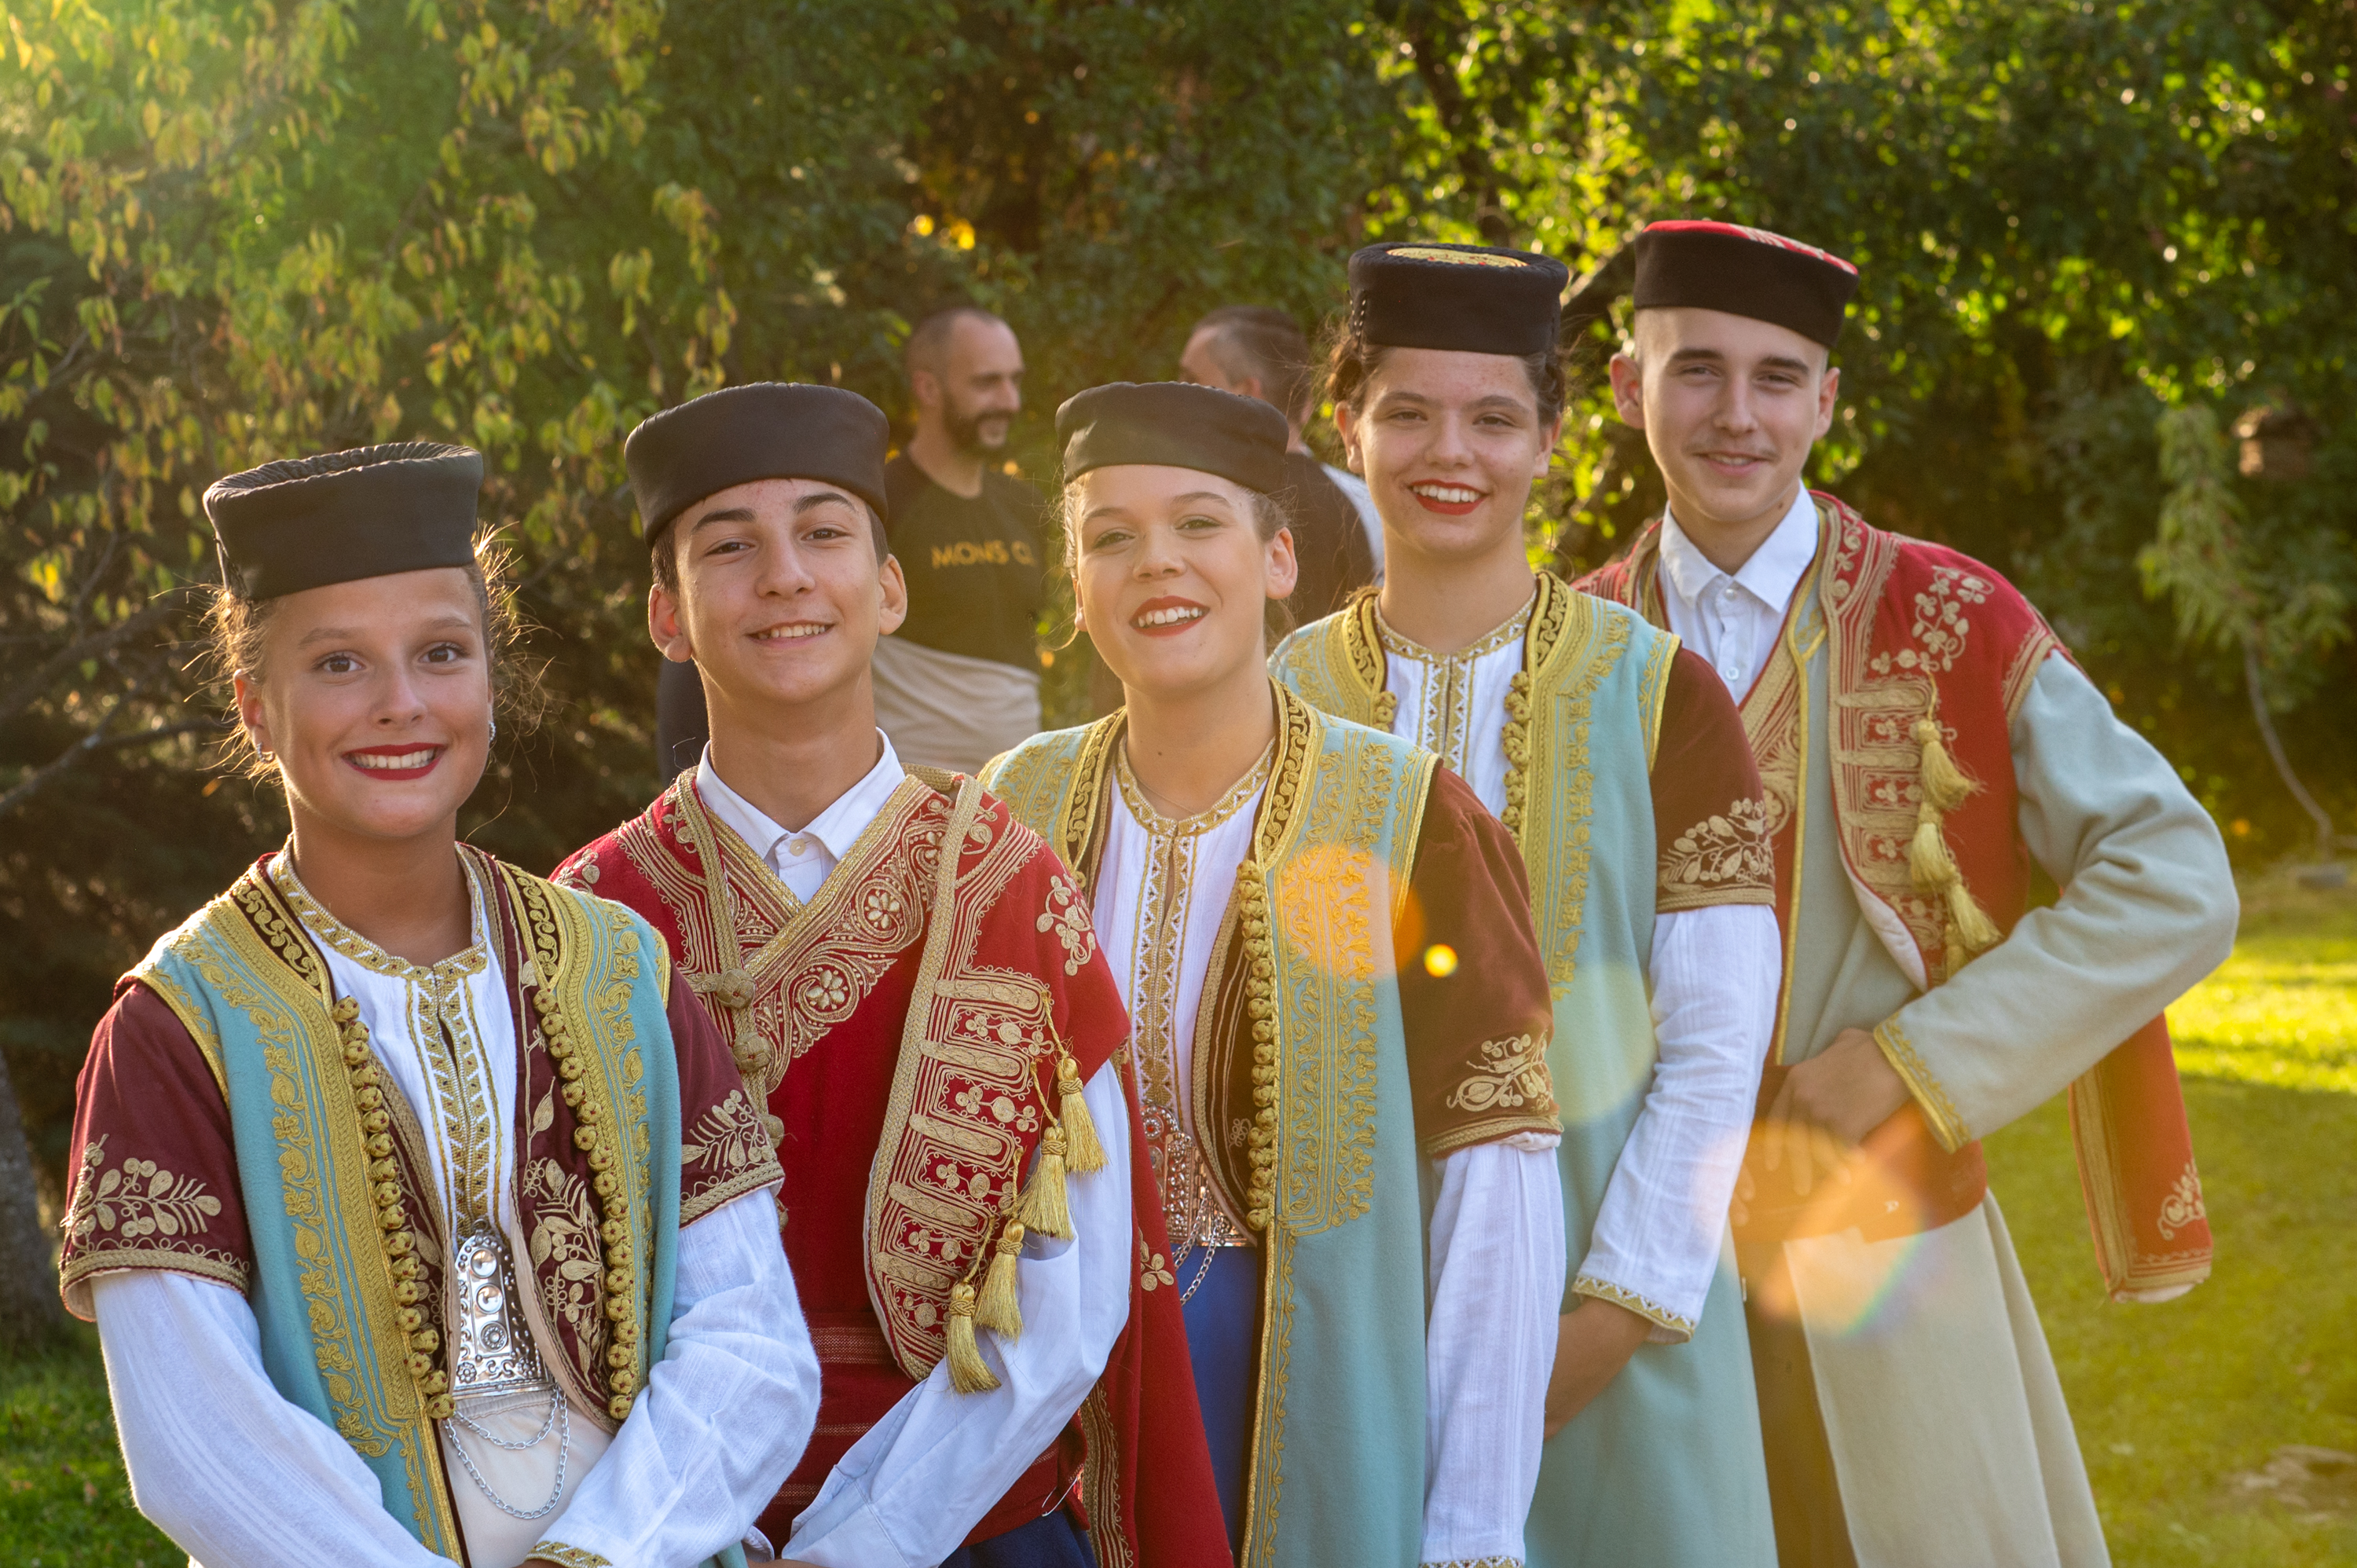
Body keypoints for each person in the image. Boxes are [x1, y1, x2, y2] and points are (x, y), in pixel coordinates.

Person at [1578, 218, 2234, 1568]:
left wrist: (1909, 1059)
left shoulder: (1953, 618)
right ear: (1627, 385)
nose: (1736, 414)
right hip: (1636, 1261)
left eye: (1778, 378)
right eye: (1695, 370)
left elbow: (2175, 878)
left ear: (1828, 400)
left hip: (1891, 1255)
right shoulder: (1571, 649)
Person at [59, 441, 819, 1568]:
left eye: (441, 653)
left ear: (491, 683)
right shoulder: (181, 1030)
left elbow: (752, 1344)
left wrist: (604, 1556)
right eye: (338, 665)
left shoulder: (621, 973)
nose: (401, 704)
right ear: (255, 709)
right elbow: (199, 1442)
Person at [554, 383, 1227, 1568]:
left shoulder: (1010, 888)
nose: (785, 575)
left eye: (824, 534)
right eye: (731, 546)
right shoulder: (595, 921)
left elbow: (1070, 1294)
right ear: (667, 616)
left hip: (967, 1520)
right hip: (671, 1525)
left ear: (892, 587)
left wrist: (864, 1541)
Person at [985, 380, 1568, 1568]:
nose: (1159, 564)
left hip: (1307, 1389)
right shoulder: (1009, 813)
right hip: (1047, 1416)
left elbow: (1494, 1190)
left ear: (1280, 557)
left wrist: (1473, 1531)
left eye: (1200, 524)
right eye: (1112, 537)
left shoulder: (1413, 818)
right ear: (1077, 586)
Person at [1270, 242, 1784, 1566]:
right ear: (1347, 427)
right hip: (1338, 1331)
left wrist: (1602, 1324)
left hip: (1614, 1334)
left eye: (1495, 416)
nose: (1454, 451)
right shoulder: (1272, 700)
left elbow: (1718, 1050)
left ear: (1551, 436)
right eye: (1408, 412)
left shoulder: (1662, 694)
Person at [869, 305, 1052, 772]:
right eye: (987, 383)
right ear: (927, 388)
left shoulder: (1025, 508)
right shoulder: (875, 504)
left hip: (1020, 787)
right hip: (910, 791)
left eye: (1014, 380)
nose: (1010, 401)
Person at [1179, 306, 1379, 613]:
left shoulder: (1204, 506)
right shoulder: (1370, 505)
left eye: (1192, 383)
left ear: (1246, 394)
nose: (1178, 397)